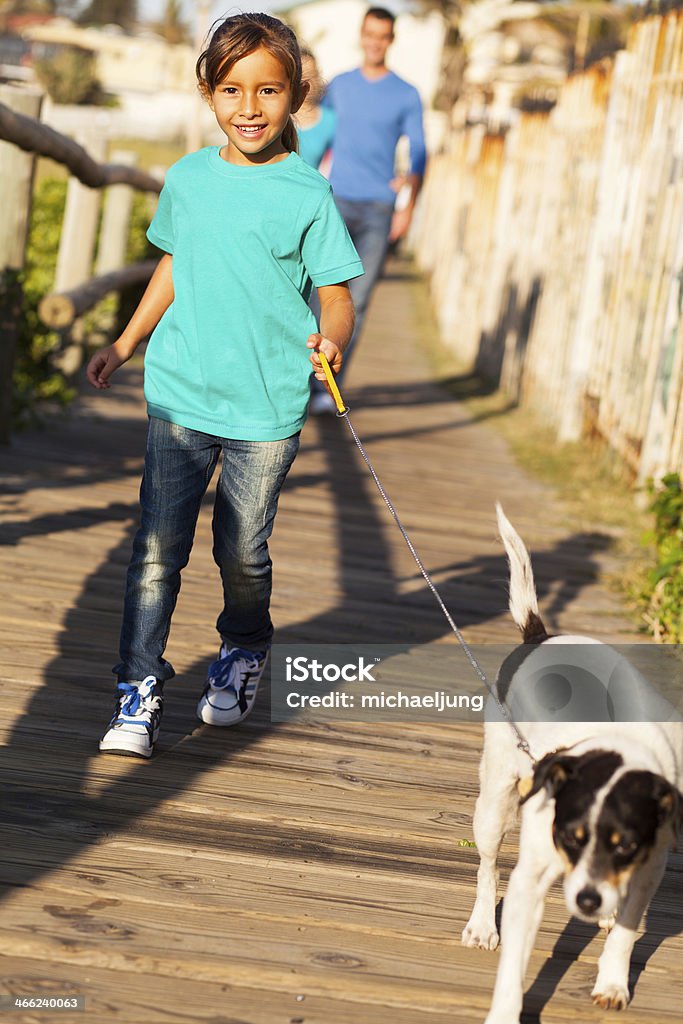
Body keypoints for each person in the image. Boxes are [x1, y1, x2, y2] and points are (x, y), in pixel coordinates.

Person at [85, 13, 363, 759]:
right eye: (233, 89)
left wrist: (331, 336)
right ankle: (136, 690)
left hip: (266, 408)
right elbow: (173, 264)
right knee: (155, 551)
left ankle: (243, 648)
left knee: (242, 553)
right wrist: (125, 339)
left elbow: (335, 292)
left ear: (295, 95)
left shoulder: (307, 193)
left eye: (268, 90)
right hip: (179, 396)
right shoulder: (187, 178)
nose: (249, 107)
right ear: (208, 92)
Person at [310, 5, 427, 413]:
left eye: (383, 35)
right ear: (361, 35)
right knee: (317, 295)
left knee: (356, 300)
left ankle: (328, 388)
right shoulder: (338, 86)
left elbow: (419, 153)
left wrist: (406, 205)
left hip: (379, 209)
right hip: (334, 202)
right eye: (369, 34)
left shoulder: (407, 94)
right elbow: (310, 129)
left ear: (391, 40)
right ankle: (301, 378)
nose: (375, 42)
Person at [296, 48, 336, 170]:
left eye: (312, 76)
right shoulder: (279, 116)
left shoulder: (331, 121)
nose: (307, 83)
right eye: (303, 76)